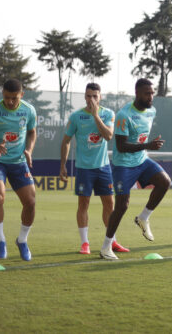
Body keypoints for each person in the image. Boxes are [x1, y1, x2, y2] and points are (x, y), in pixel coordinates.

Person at [99, 78, 171, 260]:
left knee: (164, 182)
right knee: (122, 205)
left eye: (152, 93)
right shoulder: (124, 115)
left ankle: (143, 217)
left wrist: (147, 146)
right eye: (147, 93)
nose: (151, 96)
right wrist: (148, 145)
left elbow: (140, 138)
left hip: (142, 160)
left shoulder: (151, 111)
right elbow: (121, 146)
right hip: (123, 164)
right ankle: (106, 247)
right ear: (137, 93)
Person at [60, 83, 128, 255]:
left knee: (110, 204)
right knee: (84, 204)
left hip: (103, 167)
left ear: (100, 97)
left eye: (95, 96)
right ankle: (85, 243)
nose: (91, 99)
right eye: (89, 96)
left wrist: (96, 115)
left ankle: (112, 241)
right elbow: (66, 141)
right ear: (84, 96)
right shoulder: (76, 117)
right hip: (84, 168)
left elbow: (108, 135)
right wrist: (63, 165)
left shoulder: (108, 114)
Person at [0, 78, 37, 260]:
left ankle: (22, 240)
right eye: (7, 97)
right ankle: (0, 240)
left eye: (14, 98)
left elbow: (32, 131)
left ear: (22, 95)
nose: (10, 102)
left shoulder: (29, 110)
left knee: (31, 202)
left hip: (19, 161)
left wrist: (29, 150)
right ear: (2, 94)